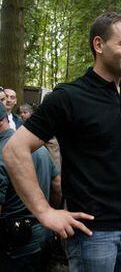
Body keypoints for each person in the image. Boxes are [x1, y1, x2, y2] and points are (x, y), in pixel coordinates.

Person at [3, 12, 121, 272]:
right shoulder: (68, 96)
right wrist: (44, 212)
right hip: (92, 233)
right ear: (99, 45)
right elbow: (13, 150)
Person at [0, 102, 61, 271]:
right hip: (43, 233)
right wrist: (50, 214)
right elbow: (57, 184)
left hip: (14, 243)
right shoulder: (37, 147)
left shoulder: (3, 152)